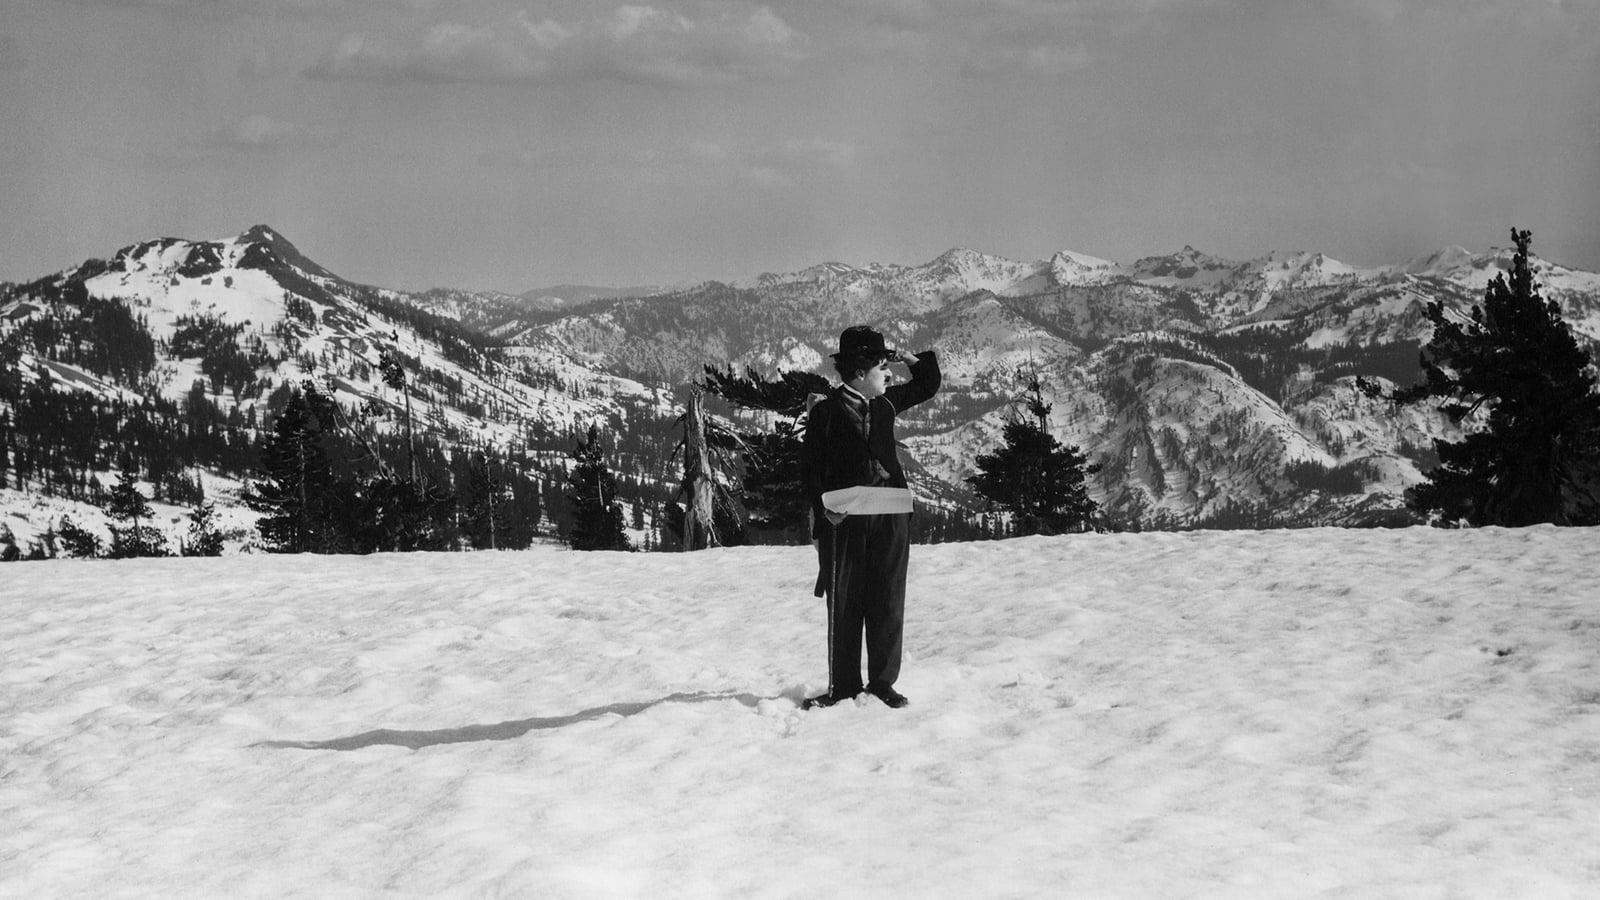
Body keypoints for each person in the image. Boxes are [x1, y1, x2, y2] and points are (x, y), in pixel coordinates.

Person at [800, 325, 940, 709]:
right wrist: (821, 511)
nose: (890, 374)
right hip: (843, 521)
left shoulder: (887, 403)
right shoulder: (825, 413)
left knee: (888, 599)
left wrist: (910, 358)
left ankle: (882, 683)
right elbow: (810, 468)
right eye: (882, 368)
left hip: (891, 516)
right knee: (844, 602)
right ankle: (843, 687)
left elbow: (927, 384)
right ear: (860, 374)